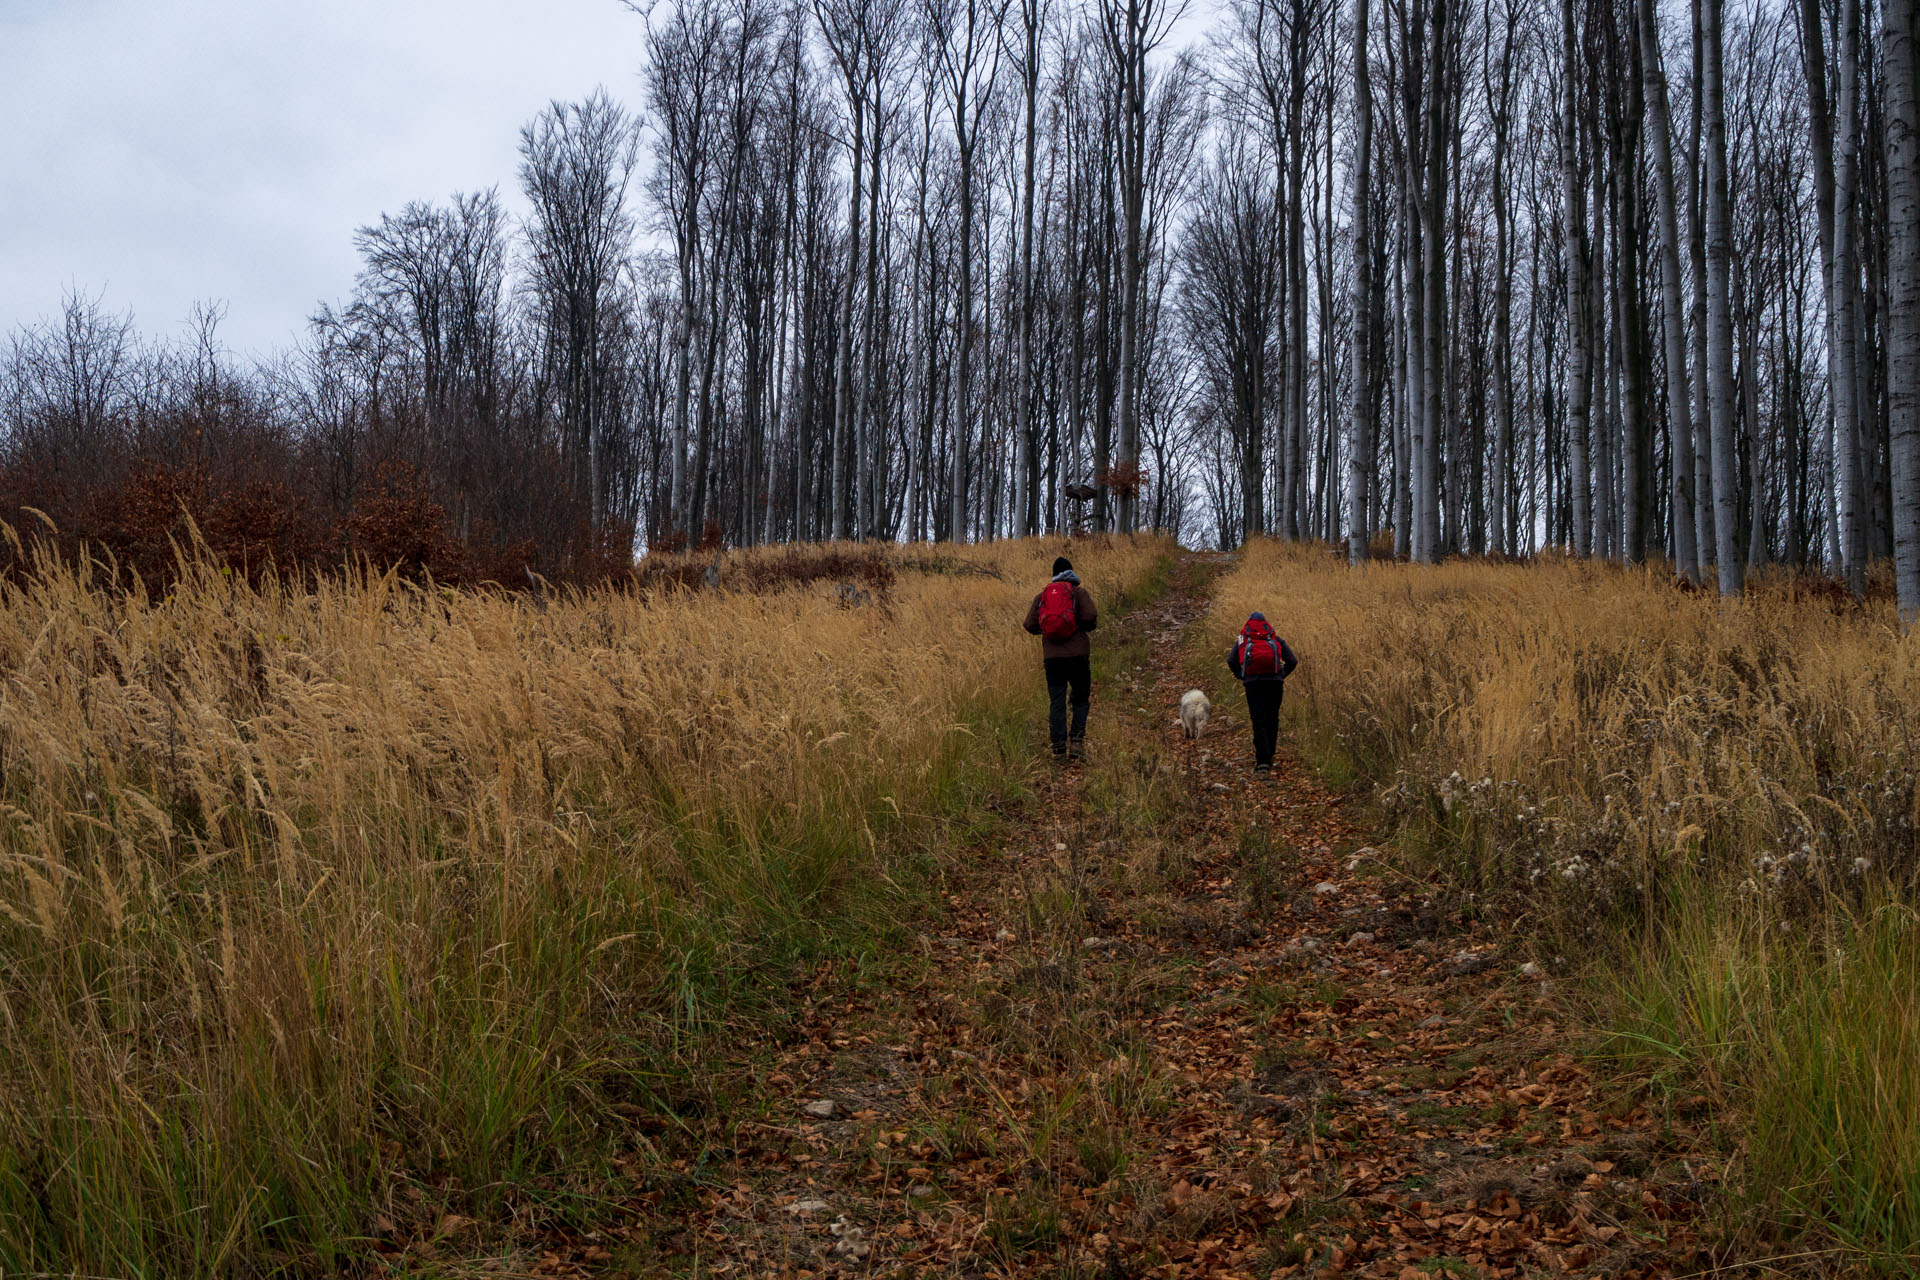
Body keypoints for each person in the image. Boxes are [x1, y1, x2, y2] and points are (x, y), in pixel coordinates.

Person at [1023, 555, 1099, 761]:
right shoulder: (1079, 592)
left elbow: (1029, 624)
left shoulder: (1043, 596)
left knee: (1057, 701)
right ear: (1071, 572)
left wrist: (1048, 630)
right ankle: (1076, 743)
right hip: (1079, 656)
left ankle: (1058, 750)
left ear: (1054, 574)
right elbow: (1091, 617)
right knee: (1081, 699)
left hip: (1053, 658)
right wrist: (1077, 626)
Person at [1226, 611, 1298, 775]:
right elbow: (1293, 661)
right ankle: (1270, 754)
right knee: (1272, 717)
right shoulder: (1274, 639)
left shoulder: (1243, 640)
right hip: (1275, 683)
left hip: (1253, 684)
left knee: (1258, 720)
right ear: (1266, 624)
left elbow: (1231, 660)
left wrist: (1241, 675)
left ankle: (1262, 761)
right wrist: (1282, 674)